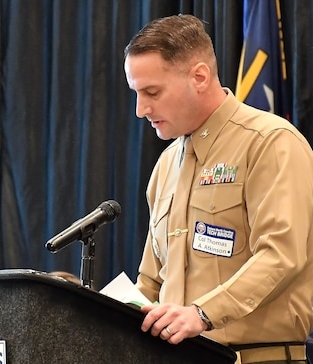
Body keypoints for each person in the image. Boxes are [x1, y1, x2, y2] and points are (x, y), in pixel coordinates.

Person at [122, 14, 313, 363]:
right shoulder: (167, 164)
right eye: (136, 93)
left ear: (199, 77)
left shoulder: (270, 144)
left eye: (151, 92)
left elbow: (281, 256)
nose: (140, 110)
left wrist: (201, 313)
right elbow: (150, 280)